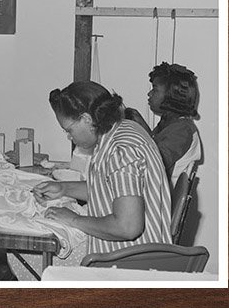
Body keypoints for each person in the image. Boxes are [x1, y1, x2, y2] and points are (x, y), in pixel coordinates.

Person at [34, 80, 173, 258]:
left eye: (69, 130)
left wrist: (73, 219)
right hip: (136, 251)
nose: (69, 136)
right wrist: (64, 189)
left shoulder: (121, 151)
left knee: (40, 254)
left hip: (131, 261)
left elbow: (127, 227)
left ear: (86, 119)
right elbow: (109, 190)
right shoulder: (122, 129)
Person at [127, 62, 202, 183]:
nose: (149, 94)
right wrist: (141, 126)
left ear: (171, 95)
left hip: (161, 197)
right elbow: (153, 148)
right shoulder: (170, 123)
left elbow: (154, 162)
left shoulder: (182, 130)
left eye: (155, 89)